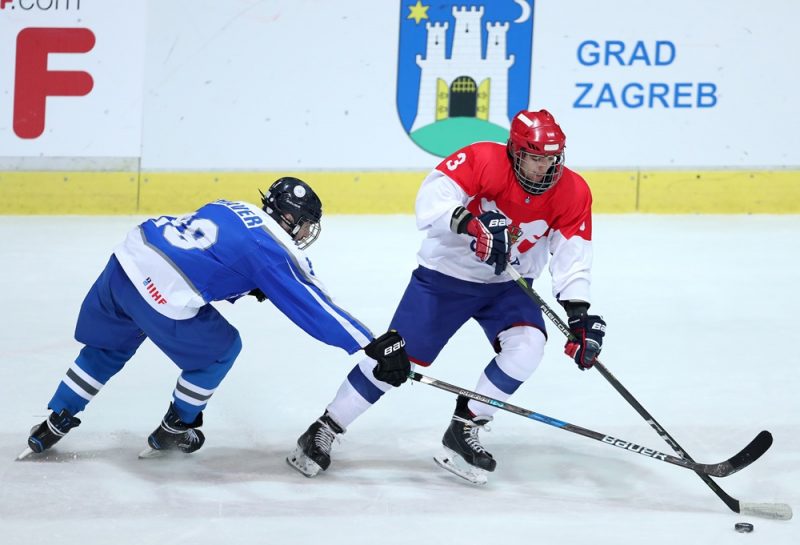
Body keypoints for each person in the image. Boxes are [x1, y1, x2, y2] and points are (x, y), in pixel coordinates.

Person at [288, 110, 607, 484]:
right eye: (536, 158)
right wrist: (471, 224)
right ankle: (327, 425)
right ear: (516, 152)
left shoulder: (573, 191)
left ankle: (466, 425)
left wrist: (579, 314)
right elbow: (433, 197)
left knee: (529, 346)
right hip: (446, 277)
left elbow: (573, 254)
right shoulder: (482, 158)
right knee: (395, 359)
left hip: (509, 283)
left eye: (552, 159)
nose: (545, 168)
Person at [19, 177, 410, 460]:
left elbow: (213, 250)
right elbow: (312, 304)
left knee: (108, 348)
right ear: (291, 220)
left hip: (126, 260)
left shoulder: (232, 205)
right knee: (221, 349)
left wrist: (246, 284)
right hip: (162, 290)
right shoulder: (272, 246)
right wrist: (368, 342)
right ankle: (177, 426)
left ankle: (56, 419)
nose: (307, 232)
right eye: (306, 224)